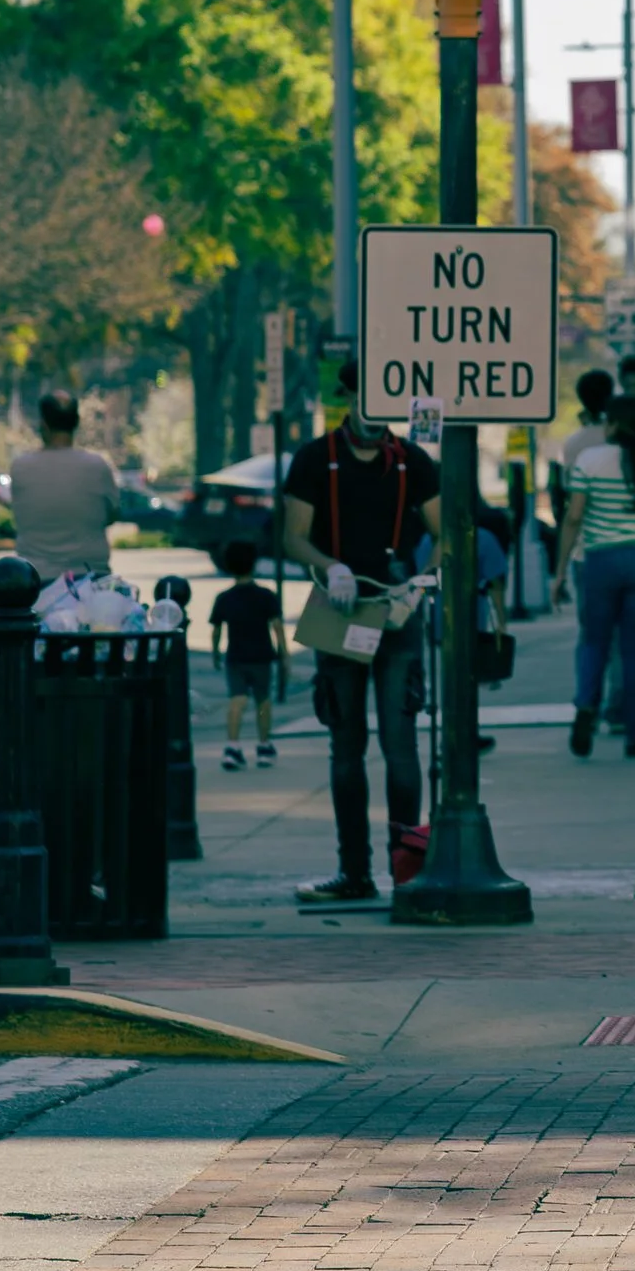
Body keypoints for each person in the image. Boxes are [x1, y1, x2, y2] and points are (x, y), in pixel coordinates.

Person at [281, 367, 441, 901]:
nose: (375, 416)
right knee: (345, 746)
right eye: (365, 401)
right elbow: (294, 537)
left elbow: (447, 531)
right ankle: (354, 872)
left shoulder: (411, 462)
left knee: (402, 747)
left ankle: (406, 869)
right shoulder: (313, 459)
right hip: (340, 606)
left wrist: (421, 581)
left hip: (394, 609)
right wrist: (331, 567)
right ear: (347, 398)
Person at [554, 374, 635, 758]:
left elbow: (574, 517)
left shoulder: (589, 461)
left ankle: (586, 706)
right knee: (633, 651)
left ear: (610, 424)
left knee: (594, 641)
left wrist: (560, 570)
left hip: (600, 562)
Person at [8, 389, 119, 583]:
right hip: (91, 578)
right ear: (76, 422)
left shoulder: (20, 468)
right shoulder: (98, 467)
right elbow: (112, 515)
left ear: (43, 424)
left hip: (37, 580)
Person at [207, 540, 283, 769]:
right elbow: (277, 628)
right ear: (254, 564)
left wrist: (216, 654)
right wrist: (285, 657)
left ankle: (233, 746)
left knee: (236, 700)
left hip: (236, 657)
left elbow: (217, 630)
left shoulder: (224, 598)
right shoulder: (266, 596)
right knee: (263, 701)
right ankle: (264, 745)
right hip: (262, 656)